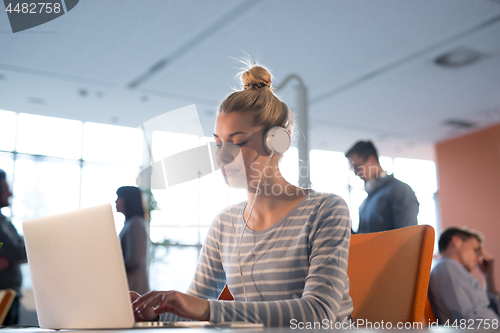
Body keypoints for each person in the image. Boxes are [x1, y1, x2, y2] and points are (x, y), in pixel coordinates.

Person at [131, 64, 353, 326]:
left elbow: (319, 313)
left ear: (276, 141)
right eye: (218, 143)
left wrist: (206, 310)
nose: (222, 156)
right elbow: (192, 307)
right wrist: (149, 310)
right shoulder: (224, 224)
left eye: (237, 142)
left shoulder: (325, 210)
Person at [345, 140, 419, 233]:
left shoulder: (399, 190)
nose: (356, 173)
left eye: (357, 167)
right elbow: (365, 238)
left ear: (372, 160)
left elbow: (406, 237)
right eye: (353, 169)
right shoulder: (367, 201)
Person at [428, 227, 499, 324]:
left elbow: (490, 310)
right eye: (476, 250)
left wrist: (488, 276)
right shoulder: (448, 267)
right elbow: (470, 321)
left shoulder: (450, 270)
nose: (479, 259)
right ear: (456, 241)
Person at [0, 169, 27, 325]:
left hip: (10, 294)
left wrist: (9, 261)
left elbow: (19, 249)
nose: (10, 194)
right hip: (4, 293)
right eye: (6, 189)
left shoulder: (4, 220)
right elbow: (17, 251)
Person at [116, 186, 150, 295]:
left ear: (127, 200)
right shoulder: (131, 223)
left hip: (135, 286)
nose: (116, 201)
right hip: (132, 284)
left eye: (118, 197)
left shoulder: (136, 223)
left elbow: (135, 260)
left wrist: (113, 264)